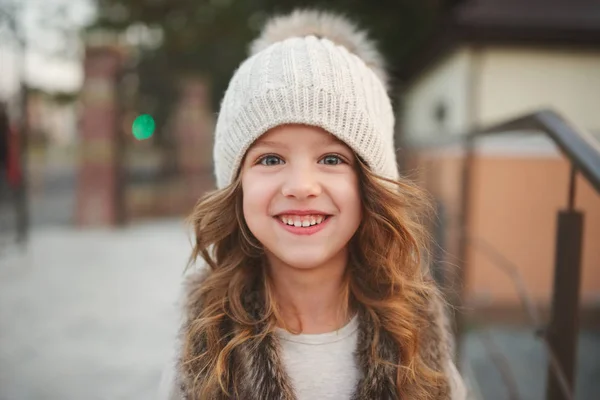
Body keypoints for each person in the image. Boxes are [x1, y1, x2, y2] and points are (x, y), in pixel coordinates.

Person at [159, 9, 466, 400]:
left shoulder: (417, 334)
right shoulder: (203, 337)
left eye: (332, 159)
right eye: (270, 159)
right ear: (235, 186)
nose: (301, 186)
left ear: (371, 184)